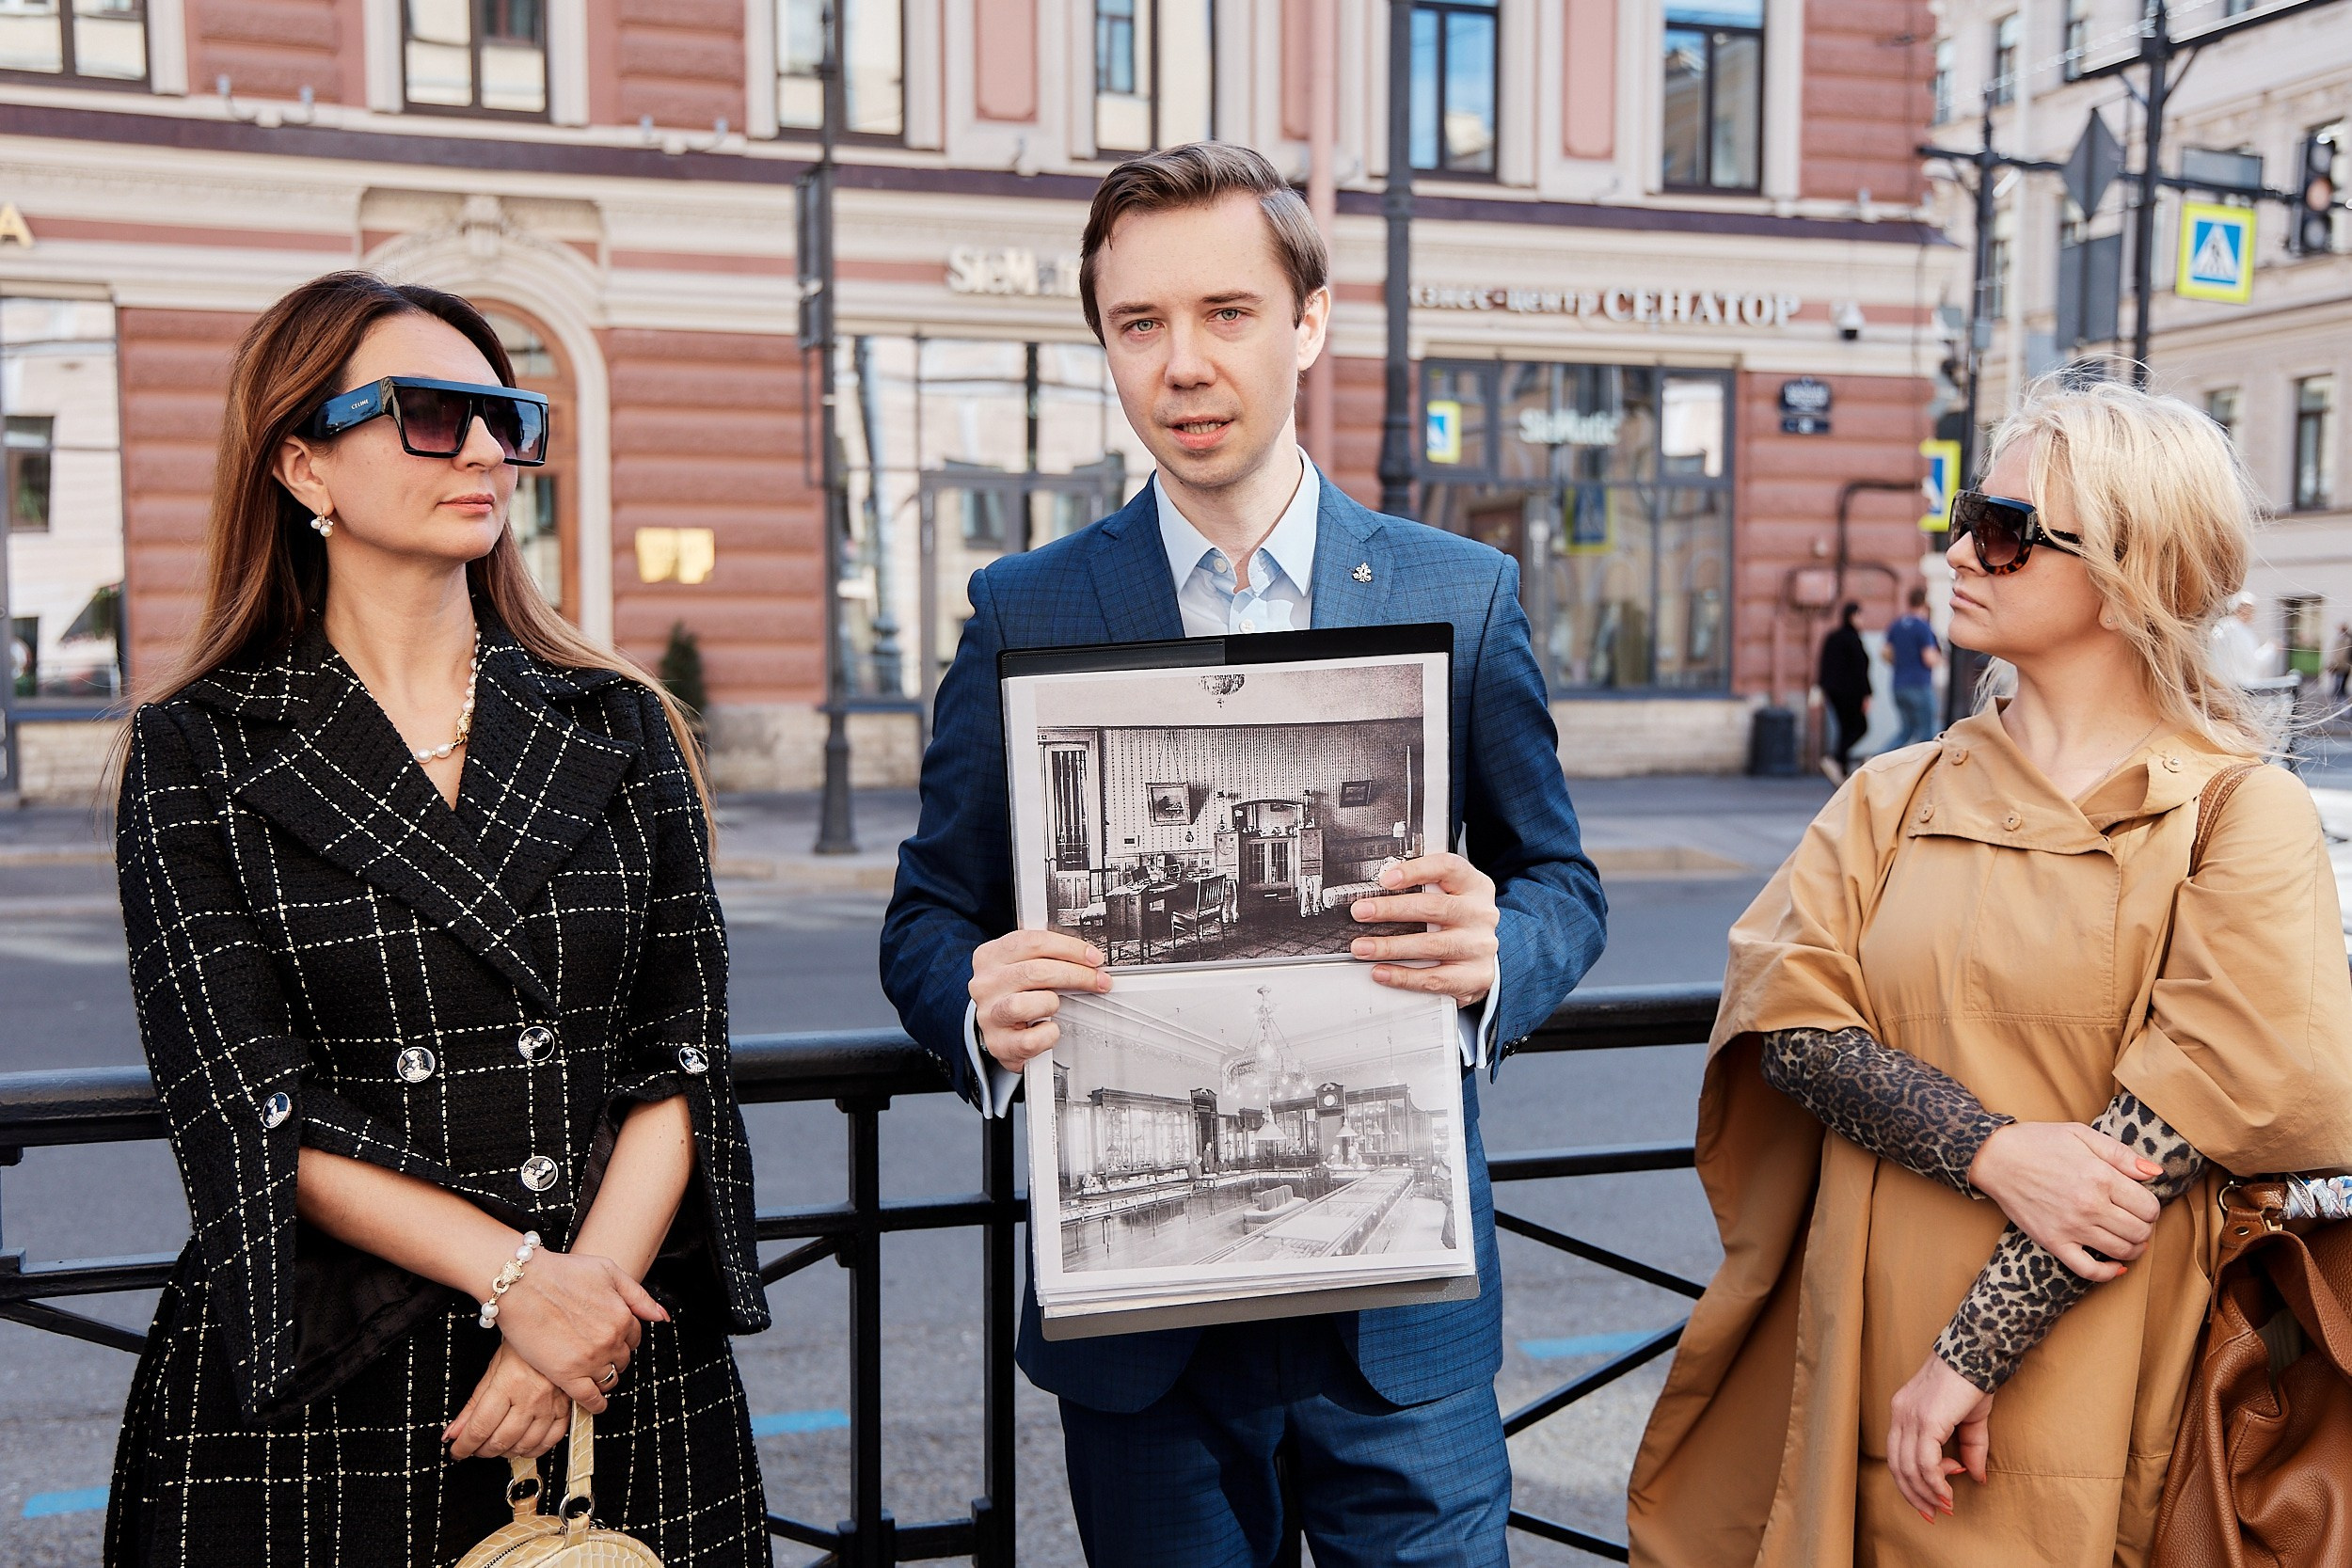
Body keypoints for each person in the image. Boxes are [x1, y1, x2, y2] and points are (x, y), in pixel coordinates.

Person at [881, 143, 1607, 1568]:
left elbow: (1562, 886)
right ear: (1105, 345)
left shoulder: (1458, 593)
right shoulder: (1026, 607)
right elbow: (929, 912)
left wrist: (1499, 951)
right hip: (1146, 1347)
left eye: (1227, 313)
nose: (1184, 364)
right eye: (1138, 324)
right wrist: (974, 996)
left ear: (1308, 322)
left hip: (1400, 1329)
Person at [1627, 377, 2352, 1565]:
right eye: (1967, 515)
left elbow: (2178, 1116)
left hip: (2114, 1367)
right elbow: (1787, 1021)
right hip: (1865, 1348)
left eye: (2006, 531)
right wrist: (1990, 1149)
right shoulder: (1889, 795)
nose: (1959, 550)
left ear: (2129, 567)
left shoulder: (2236, 809)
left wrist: (1966, 1355)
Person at [104, 273, 771, 1567]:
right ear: (302, 461)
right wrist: (521, 1282)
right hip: (337, 1362)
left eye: (503, 417)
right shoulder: (197, 748)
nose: (481, 450)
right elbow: (243, 1094)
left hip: (614, 1355)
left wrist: (576, 1314)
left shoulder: (617, 720)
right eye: (427, 413)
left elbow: (681, 1050)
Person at [1816, 601, 1871, 784]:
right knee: (1859, 726)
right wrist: (1866, 694)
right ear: (1853, 616)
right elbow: (1860, 669)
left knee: (1845, 728)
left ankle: (1842, 767)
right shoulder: (1853, 639)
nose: (1863, 620)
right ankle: (1836, 759)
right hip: (1851, 693)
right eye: (1861, 616)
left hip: (1833, 692)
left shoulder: (1833, 637)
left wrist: (1822, 687)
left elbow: (1823, 664)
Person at [1883, 583, 1943, 747]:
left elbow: (1886, 654)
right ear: (1924, 602)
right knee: (1928, 733)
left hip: (1899, 685)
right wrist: (1941, 659)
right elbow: (1929, 658)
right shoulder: (1923, 626)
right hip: (1919, 684)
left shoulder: (1896, 625)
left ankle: (1877, 757)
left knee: (1906, 731)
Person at [2327, 620, 2351, 701]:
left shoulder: (2346, 639)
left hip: (2342, 666)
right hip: (2339, 665)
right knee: (2337, 685)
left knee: (2340, 686)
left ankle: (2340, 702)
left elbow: (2341, 654)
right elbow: (2334, 653)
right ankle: (2338, 702)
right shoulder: (2339, 638)